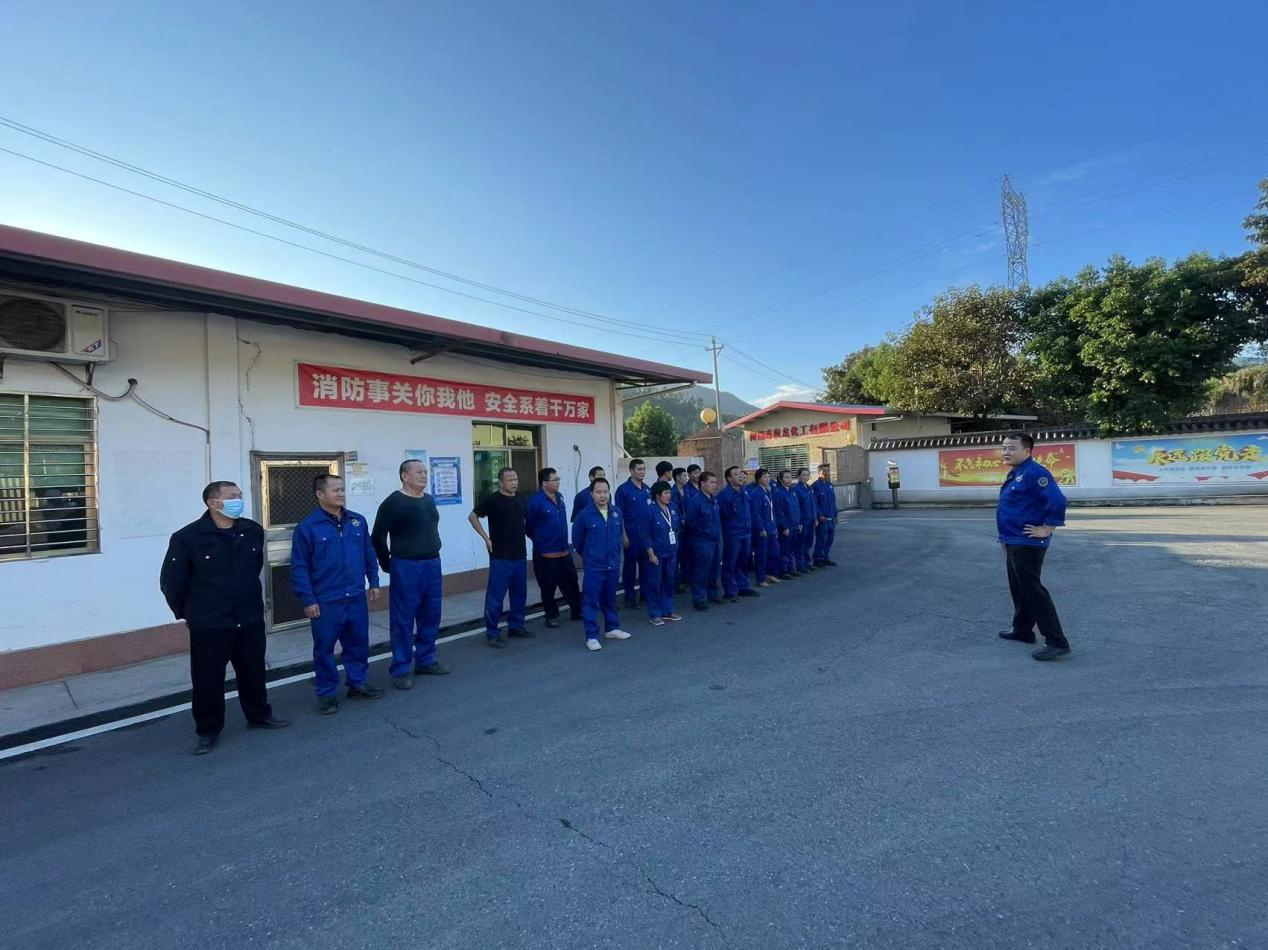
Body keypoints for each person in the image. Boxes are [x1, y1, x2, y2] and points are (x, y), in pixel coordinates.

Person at [160, 481, 289, 755]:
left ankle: (259, 715)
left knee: (253, 671)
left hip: (249, 618)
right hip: (210, 623)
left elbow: (254, 568)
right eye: (232, 496)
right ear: (213, 503)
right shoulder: (188, 537)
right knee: (208, 679)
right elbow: (172, 581)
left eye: (239, 495)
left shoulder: (251, 531)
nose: (239, 500)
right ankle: (208, 730)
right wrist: (188, 613)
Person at [290, 474, 384, 715]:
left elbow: (368, 552)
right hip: (326, 599)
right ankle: (327, 692)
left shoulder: (357, 521)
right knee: (324, 649)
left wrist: (374, 581)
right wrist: (308, 599)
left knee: (358, 644)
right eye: (335, 490)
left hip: (355, 595)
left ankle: (357, 683)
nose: (341, 494)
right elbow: (299, 566)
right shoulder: (308, 527)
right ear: (320, 494)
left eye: (342, 489)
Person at [996, 432, 1072, 661]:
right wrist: (1006, 539)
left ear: (1027, 451)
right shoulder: (1017, 472)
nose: (1006, 452)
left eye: (1012, 448)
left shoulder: (1035, 473)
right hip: (1014, 539)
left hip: (1027, 542)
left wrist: (1048, 528)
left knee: (1032, 590)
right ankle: (1022, 630)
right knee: (1019, 588)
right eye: (1004, 447)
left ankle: (1057, 641)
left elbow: (1057, 500)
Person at [372, 459, 447, 690]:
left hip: (432, 565)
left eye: (425, 471)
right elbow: (377, 536)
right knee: (403, 619)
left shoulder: (428, 500)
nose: (424, 475)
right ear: (405, 476)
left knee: (431, 615)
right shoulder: (393, 502)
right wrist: (387, 564)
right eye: (419, 472)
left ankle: (426, 660)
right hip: (406, 567)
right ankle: (401, 668)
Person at [469, 467, 530, 648]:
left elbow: (524, 520)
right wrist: (486, 538)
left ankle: (516, 626)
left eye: (515, 479)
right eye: (510, 480)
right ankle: (492, 632)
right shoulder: (492, 500)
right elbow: (472, 516)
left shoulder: (521, 498)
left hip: (519, 554)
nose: (514, 482)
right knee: (496, 596)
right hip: (500, 556)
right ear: (501, 482)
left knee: (519, 593)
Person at [570, 477, 631, 651]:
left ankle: (612, 628)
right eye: (598, 492)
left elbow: (619, 535)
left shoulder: (616, 512)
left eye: (605, 491)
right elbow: (577, 541)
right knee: (591, 601)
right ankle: (591, 636)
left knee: (610, 598)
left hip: (613, 564)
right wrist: (591, 555)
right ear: (591, 494)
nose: (602, 495)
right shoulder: (584, 515)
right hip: (594, 566)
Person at [526, 467, 581, 628]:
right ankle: (551, 616)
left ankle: (577, 611)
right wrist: (542, 541)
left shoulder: (559, 496)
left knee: (571, 583)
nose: (558, 482)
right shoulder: (535, 501)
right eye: (555, 480)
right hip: (546, 553)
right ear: (544, 483)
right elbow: (529, 527)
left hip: (564, 550)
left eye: (558, 479)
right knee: (548, 587)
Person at [642, 480, 682, 625]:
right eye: (666, 493)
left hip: (671, 552)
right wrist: (650, 553)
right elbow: (645, 534)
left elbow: (676, 528)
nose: (668, 495)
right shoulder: (650, 510)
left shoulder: (673, 508)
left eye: (669, 493)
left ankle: (667, 610)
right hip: (657, 553)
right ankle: (655, 613)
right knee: (655, 583)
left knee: (669, 582)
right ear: (658, 495)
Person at [717, 466, 758, 603]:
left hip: (746, 532)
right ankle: (730, 590)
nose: (740, 476)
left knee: (743, 561)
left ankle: (743, 586)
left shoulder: (744, 491)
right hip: (732, 534)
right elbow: (722, 516)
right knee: (730, 562)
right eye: (736, 474)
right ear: (729, 478)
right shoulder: (724, 495)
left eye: (740, 473)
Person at [615, 458, 651, 607]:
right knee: (630, 568)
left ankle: (645, 594)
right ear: (631, 471)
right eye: (639, 469)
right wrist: (623, 536)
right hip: (631, 535)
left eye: (643, 469)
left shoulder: (647, 489)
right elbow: (619, 515)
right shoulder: (623, 490)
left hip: (645, 536)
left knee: (646, 567)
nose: (642, 472)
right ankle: (630, 597)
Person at [685, 471, 723, 610]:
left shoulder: (714, 499)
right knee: (701, 571)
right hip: (702, 541)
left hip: (715, 539)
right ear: (702, 483)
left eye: (715, 482)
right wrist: (703, 532)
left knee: (715, 569)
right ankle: (699, 598)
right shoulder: (695, 501)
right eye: (711, 482)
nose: (714, 485)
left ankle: (713, 593)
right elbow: (690, 522)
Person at [747, 468, 779, 588]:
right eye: (765, 477)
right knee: (761, 554)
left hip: (771, 527)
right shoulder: (756, 493)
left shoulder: (768, 491)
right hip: (763, 529)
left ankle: (770, 573)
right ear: (758, 479)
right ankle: (760, 579)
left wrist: (775, 526)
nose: (767, 479)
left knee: (775, 551)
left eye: (768, 476)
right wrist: (760, 528)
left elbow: (772, 511)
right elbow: (755, 514)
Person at [772, 470, 799, 578]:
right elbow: (779, 512)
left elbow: (796, 508)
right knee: (784, 549)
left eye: (790, 477)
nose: (789, 480)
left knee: (791, 548)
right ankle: (783, 570)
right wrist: (783, 527)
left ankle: (790, 568)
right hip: (786, 526)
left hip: (794, 524)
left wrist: (799, 522)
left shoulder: (792, 491)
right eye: (786, 477)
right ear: (781, 479)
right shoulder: (778, 493)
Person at [812, 464, 839, 567]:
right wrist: (819, 515)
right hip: (823, 519)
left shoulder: (829, 485)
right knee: (821, 539)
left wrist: (835, 514)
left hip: (831, 518)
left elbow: (833, 501)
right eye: (824, 471)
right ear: (819, 472)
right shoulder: (815, 486)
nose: (827, 473)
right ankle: (818, 559)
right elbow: (815, 503)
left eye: (828, 470)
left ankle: (825, 557)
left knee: (829, 539)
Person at [793, 468, 818, 573]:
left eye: (807, 475)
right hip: (803, 521)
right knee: (800, 544)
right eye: (803, 475)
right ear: (798, 476)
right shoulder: (796, 489)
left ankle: (807, 563)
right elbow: (796, 507)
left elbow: (813, 504)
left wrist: (815, 517)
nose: (806, 477)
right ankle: (800, 565)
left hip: (811, 520)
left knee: (809, 543)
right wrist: (798, 522)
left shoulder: (809, 488)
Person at [672, 467, 691, 592]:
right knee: (677, 555)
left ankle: (686, 577)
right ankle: (675, 582)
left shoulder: (687, 490)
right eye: (684, 476)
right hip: (678, 528)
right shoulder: (673, 491)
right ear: (677, 477)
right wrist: (681, 520)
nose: (686, 478)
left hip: (688, 526)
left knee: (686, 554)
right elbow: (674, 509)